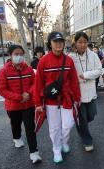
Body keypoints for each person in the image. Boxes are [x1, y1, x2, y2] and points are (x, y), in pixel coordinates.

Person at [34, 31, 81, 163]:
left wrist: (77, 98)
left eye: (61, 41)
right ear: (50, 44)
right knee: (54, 128)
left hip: (67, 99)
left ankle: (64, 142)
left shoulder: (69, 60)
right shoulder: (43, 61)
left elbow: (74, 82)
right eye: (55, 41)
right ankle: (56, 149)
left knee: (68, 125)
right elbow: (38, 84)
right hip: (50, 101)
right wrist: (38, 103)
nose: (59, 44)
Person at [0, 45, 42, 164]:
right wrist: (19, 97)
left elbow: (35, 83)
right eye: (16, 54)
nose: (19, 56)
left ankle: (34, 153)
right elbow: (2, 89)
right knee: (15, 125)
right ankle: (16, 137)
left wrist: (28, 93)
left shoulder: (28, 69)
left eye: (21, 54)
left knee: (30, 128)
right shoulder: (4, 71)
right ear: (10, 55)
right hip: (13, 106)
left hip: (28, 104)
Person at [70, 32, 102, 152]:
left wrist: (86, 75)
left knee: (91, 115)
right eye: (80, 42)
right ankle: (87, 140)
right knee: (82, 119)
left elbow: (99, 70)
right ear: (75, 43)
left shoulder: (93, 55)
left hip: (91, 91)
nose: (83, 45)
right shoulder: (71, 57)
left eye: (85, 42)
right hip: (78, 93)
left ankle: (81, 126)